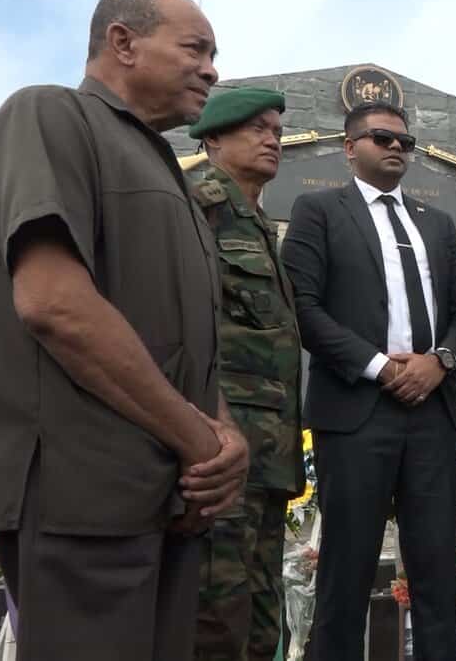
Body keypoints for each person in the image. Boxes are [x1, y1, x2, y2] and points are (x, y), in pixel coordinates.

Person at [0, 0, 249, 659]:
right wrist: (199, 440)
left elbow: (180, 338)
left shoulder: (168, 171)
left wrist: (225, 435)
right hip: (80, 494)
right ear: (123, 42)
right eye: (195, 49)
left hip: (164, 496)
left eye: (214, 54)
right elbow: (55, 304)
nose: (211, 69)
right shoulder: (47, 113)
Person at [280, 100, 456, 661]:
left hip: (432, 413)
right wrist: (380, 366)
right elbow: (303, 308)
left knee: (437, 570)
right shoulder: (318, 210)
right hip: (355, 413)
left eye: (404, 142)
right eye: (382, 138)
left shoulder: (436, 223)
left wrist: (440, 361)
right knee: (346, 569)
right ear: (349, 148)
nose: (396, 148)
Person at [186, 88, 305, 661]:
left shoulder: (257, 221)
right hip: (221, 451)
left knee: (262, 618)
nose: (272, 140)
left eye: (277, 131)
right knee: (217, 617)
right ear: (213, 138)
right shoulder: (199, 205)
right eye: (256, 128)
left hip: (268, 456)